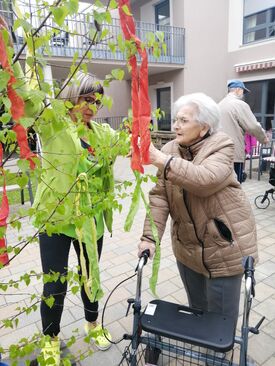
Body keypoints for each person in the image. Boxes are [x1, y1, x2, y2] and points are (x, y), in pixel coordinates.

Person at [31, 72, 129, 364]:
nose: (91, 106)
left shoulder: (101, 134)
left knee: (90, 275)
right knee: (55, 282)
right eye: (86, 98)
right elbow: (27, 100)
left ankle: (92, 324)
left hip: (90, 219)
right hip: (56, 218)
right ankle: (50, 339)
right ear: (71, 97)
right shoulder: (53, 126)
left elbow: (130, 144)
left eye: (97, 101)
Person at [138, 93, 258, 329]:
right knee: (197, 310)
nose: (175, 126)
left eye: (183, 121)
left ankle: (219, 358)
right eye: (176, 120)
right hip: (188, 248)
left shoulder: (222, 145)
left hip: (224, 248)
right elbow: (160, 196)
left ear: (203, 128)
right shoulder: (171, 148)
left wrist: (163, 160)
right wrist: (149, 237)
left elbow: (205, 180)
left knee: (221, 319)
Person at [219, 79, 268, 183]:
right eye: (243, 91)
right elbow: (253, 126)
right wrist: (263, 138)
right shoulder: (240, 105)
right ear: (238, 90)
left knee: (223, 184)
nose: (243, 94)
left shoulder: (220, 104)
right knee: (236, 184)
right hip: (234, 152)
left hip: (219, 151)